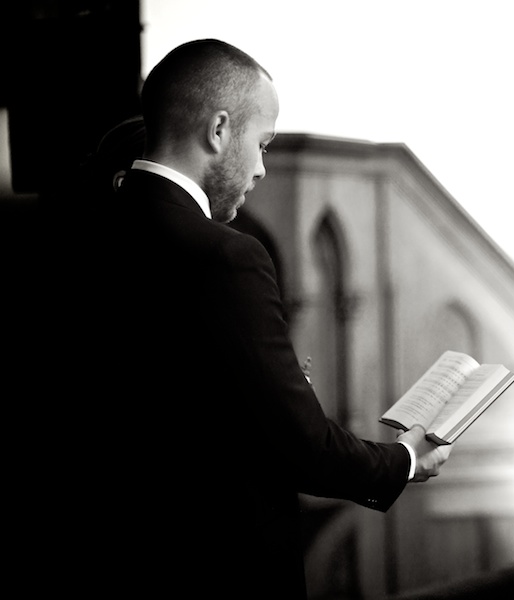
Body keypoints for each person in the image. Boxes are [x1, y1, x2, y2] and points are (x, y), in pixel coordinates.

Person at [69, 39, 451, 596]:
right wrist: (405, 459)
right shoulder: (227, 255)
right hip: (217, 565)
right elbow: (301, 447)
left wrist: (263, 390)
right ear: (219, 130)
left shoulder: (81, 235)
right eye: (262, 143)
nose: (262, 169)